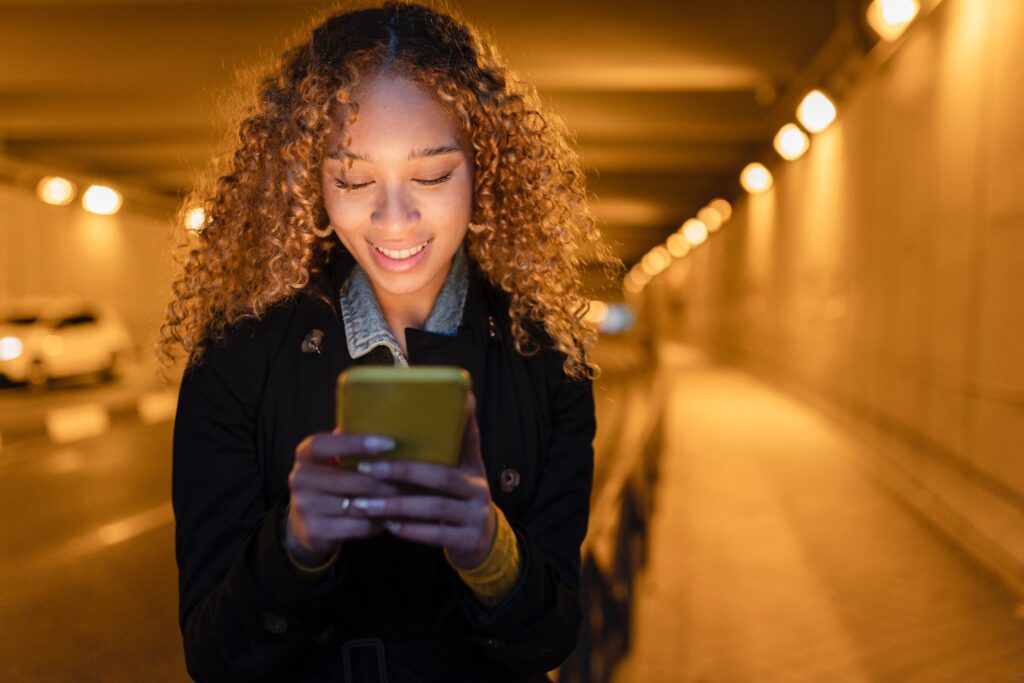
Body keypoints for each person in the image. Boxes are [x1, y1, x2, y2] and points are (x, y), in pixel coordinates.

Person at [160, 2, 617, 681]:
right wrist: (294, 543)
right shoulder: (238, 357)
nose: (394, 219)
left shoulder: (545, 362)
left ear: (484, 168)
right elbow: (214, 655)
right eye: (352, 178)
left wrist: (489, 550)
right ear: (308, 179)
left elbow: (550, 637)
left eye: (431, 176)